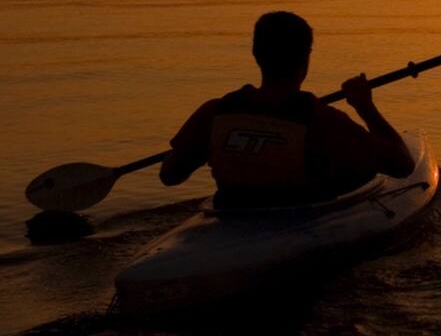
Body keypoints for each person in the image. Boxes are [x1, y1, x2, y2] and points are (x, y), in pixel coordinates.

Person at [160, 11, 415, 209]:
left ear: (255, 55)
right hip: (300, 214)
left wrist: (206, 145)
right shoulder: (321, 121)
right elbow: (402, 166)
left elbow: (170, 175)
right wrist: (364, 105)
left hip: (232, 211)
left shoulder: (214, 113)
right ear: (306, 58)